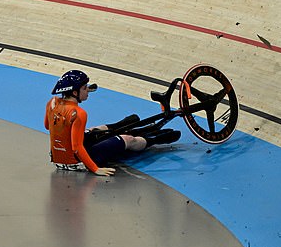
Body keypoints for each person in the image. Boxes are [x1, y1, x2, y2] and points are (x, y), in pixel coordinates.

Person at [44, 70, 181, 176]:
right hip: (77, 161)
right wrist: (95, 169)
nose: (88, 91)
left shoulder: (52, 103)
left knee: (94, 130)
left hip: (58, 159)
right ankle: (157, 138)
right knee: (128, 139)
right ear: (75, 92)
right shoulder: (79, 113)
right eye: (85, 88)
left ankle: (120, 124)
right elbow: (76, 147)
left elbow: (47, 126)